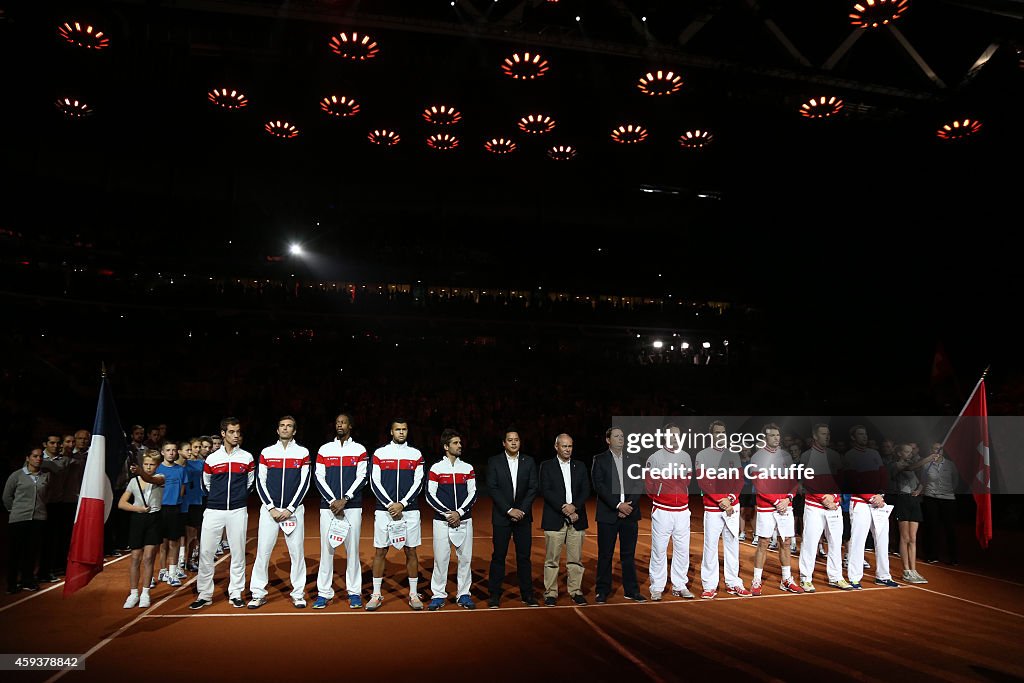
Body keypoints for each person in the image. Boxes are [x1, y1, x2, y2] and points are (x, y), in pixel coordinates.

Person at [190, 417, 254, 609]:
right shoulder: (212, 458)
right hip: (214, 510)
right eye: (232, 432)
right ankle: (204, 594)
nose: (236, 435)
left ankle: (236, 592)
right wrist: (217, 499)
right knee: (206, 552)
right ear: (223, 434)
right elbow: (206, 484)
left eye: (238, 432)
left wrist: (238, 498)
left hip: (237, 510)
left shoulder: (247, 457)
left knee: (238, 553)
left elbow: (250, 483)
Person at [249, 416, 312, 609]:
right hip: (270, 511)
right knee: (263, 552)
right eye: (282, 426)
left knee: (297, 553)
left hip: (293, 511)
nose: (285, 429)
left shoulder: (303, 452)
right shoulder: (267, 452)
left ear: (294, 431)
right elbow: (260, 481)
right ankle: (258, 593)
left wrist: (290, 508)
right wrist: (271, 507)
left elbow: (305, 483)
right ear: (277, 430)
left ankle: (298, 593)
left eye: (289, 426)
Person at [366, 419, 425, 611]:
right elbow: (374, 481)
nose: (401, 432)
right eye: (398, 429)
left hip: (410, 510)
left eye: (404, 429)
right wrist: (391, 504)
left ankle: (414, 594)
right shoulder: (380, 453)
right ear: (391, 432)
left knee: (411, 551)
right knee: (380, 551)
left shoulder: (415, 454)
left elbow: (419, 482)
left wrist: (403, 504)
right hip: (385, 511)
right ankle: (376, 595)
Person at [313, 412, 369, 609]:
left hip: (351, 507)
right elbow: (318, 477)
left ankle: (354, 592)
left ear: (350, 426)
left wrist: (345, 499)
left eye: (344, 422)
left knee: (352, 551)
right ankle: (324, 592)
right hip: (328, 508)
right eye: (337, 422)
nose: (340, 425)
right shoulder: (324, 449)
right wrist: (332, 500)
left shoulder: (359, 450)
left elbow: (362, 477)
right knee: (327, 550)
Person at [695, 420, 750, 599]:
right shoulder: (702, 455)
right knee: (710, 546)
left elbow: (739, 480)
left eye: (723, 432)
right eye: (717, 432)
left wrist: (731, 499)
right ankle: (709, 586)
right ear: (711, 435)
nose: (720, 435)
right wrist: (721, 499)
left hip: (732, 507)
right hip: (713, 508)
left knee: (733, 545)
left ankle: (733, 583)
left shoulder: (733, 454)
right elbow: (703, 481)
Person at [424, 428, 478, 610]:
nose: (460, 445)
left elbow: (473, 493)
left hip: (464, 519)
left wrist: (460, 513)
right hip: (442, 521)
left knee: (465, 559)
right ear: (446, 447)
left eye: (460, 442)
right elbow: (429, 495)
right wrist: (448, 514)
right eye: (455, 443)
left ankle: (463, 594)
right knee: (441, 558)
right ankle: (439, 595)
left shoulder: (467, 468)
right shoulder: (436, 468)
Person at [486, 429, 539, 608]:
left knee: (524, 557)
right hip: (502, 516)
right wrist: (509, 510)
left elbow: (533, 488)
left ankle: (527, 594)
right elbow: (492, 488)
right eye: (510, 440)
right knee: (498, 556)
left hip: (523, 517)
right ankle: (494, 594)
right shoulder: (494, 461)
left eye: (516, 440)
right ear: (504, 443)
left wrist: (521, 510)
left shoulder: (529, 461)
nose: (514, 443)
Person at [749, 423, 803, 596]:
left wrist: (788, 499)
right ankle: (756, 580)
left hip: (785, 506)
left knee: (786, 542)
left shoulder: (786, 456)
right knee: (763, 543)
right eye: (772, 436)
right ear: (765, 437)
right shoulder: (757, 457)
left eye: (778, 435)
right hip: (767, 507)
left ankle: (786, 579)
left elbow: (793, 482)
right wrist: (776, 501)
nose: (776, 438)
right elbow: (759, 484)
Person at [592, 426, 645, 603]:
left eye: (622, 436)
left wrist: (628, 506)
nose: (620, 438)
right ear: (608, 440)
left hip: (630, 513)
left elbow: (639, 484)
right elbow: (599, 485)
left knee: (628, 555)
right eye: (616, 436)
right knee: (605, 554)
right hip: (608, 514)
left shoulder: (634, 459)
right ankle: (602, 591)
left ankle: (631, 590)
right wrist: (618, 505)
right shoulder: (599, 459)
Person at [843, 425, 899, 589]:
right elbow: (852, 481)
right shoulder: (849, 455)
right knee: (858, 540)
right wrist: (870, 497)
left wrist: (881, 495)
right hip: (860, 503)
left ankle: (883, 576)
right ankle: (854, 577)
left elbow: (883, 475)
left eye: (865, 434)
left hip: (878, 502)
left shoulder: (874, 454)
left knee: (883, 540)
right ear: (853, 437)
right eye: (860, 434)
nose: (864, 437)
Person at [797, 424, 851, 592]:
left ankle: (836, 577)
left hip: (833, 506)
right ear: (815, 435)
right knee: (810, 542)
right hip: (814, 506)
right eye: (823, 434)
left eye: (828, 434)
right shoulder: (806, 456)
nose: (827, 437)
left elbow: (841, 480)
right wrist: (823, 498)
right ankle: (805, 578)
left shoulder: (834, 455)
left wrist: (834, 498)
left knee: (836, 542)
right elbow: (807, 481)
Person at [539, 433, 589, 606]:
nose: (568, 449)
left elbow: (585, 490)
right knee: (552, 560)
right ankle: (551, 593)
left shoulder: (580, 466)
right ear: (556, 447)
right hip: (555, 519)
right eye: (564, 446)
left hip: (577, 519)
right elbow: (546, 490)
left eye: (570, 446)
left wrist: (575, 507)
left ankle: (575, 591)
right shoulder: (546, 466)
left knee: (575, 559)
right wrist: (565, 508)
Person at [645, 424, 694, 600]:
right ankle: (657, 586)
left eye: (678, 435)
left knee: (682, 550)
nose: (675, 438)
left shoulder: (686, 457)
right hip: (662, 510)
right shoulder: (655, 457)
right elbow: (649, 486)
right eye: (672, 435)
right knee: (659, 550)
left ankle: (679, 585)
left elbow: (687, 482)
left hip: (682, 510)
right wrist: (662, 495)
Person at [3, 449, 57, 592]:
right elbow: (7, 497)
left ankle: (27, 580)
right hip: (18, 519)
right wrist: (14, 510)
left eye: (40, 456)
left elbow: (48, 495)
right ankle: (12, 583)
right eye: (35, 456)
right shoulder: (17, 475)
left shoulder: (46, 476)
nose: (38, 459)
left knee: (31, 552)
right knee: (15, 552)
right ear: (28, 458)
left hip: (38, 518)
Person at [121, 452, 164, 608]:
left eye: (151, 464)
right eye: (145, 464)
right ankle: (133, 594)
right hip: (138, 520)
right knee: (135, 557)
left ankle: (145, 593)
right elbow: (122, 503)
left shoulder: (160, 478)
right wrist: (138, 508)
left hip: (154, 519)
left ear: (157, 465)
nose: (148, 467)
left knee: (148, 557)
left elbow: (150, 479)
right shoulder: (134, 481)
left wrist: (141, 472)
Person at [892, 443, 927, 583]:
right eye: (906, 451)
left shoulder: (913, 468)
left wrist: (919, 490)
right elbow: (910, 467)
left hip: (914, 501)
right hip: (902, 500)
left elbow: (922, 481)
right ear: (900, 453)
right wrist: (929, 458)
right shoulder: (896, 465)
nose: (910, 454)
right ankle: (906, 570)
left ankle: (913, 570)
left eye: (911, 452)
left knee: (913, 538)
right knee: (905, 538)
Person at [920, 442, 959, 566]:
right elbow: (923, 481)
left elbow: (955, 481)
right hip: (931, 498)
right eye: (935, 448)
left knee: (950, 528)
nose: (938, 451)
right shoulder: (926, 465)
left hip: (948, 499)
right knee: (932, 527)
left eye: (940, 449)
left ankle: (953, 557)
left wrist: (947, 492)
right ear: (931, 450)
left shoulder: (951, 465)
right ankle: (931, 555)